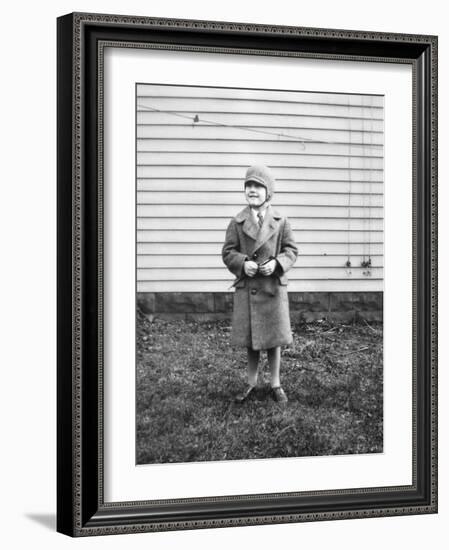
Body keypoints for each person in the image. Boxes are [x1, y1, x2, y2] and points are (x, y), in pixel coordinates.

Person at [222, 164, 298, 404]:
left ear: (269, 192)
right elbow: (227, 252)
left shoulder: (281, 221)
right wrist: (243, 263)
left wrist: (276, 264)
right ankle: (251, 382)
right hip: (249, 289)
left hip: (272, 288)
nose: (252, 190)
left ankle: (276, 383)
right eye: (248, 186)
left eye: (258, 186)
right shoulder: (237, 222)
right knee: (252, 340)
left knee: (274, 340)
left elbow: (291, 250)